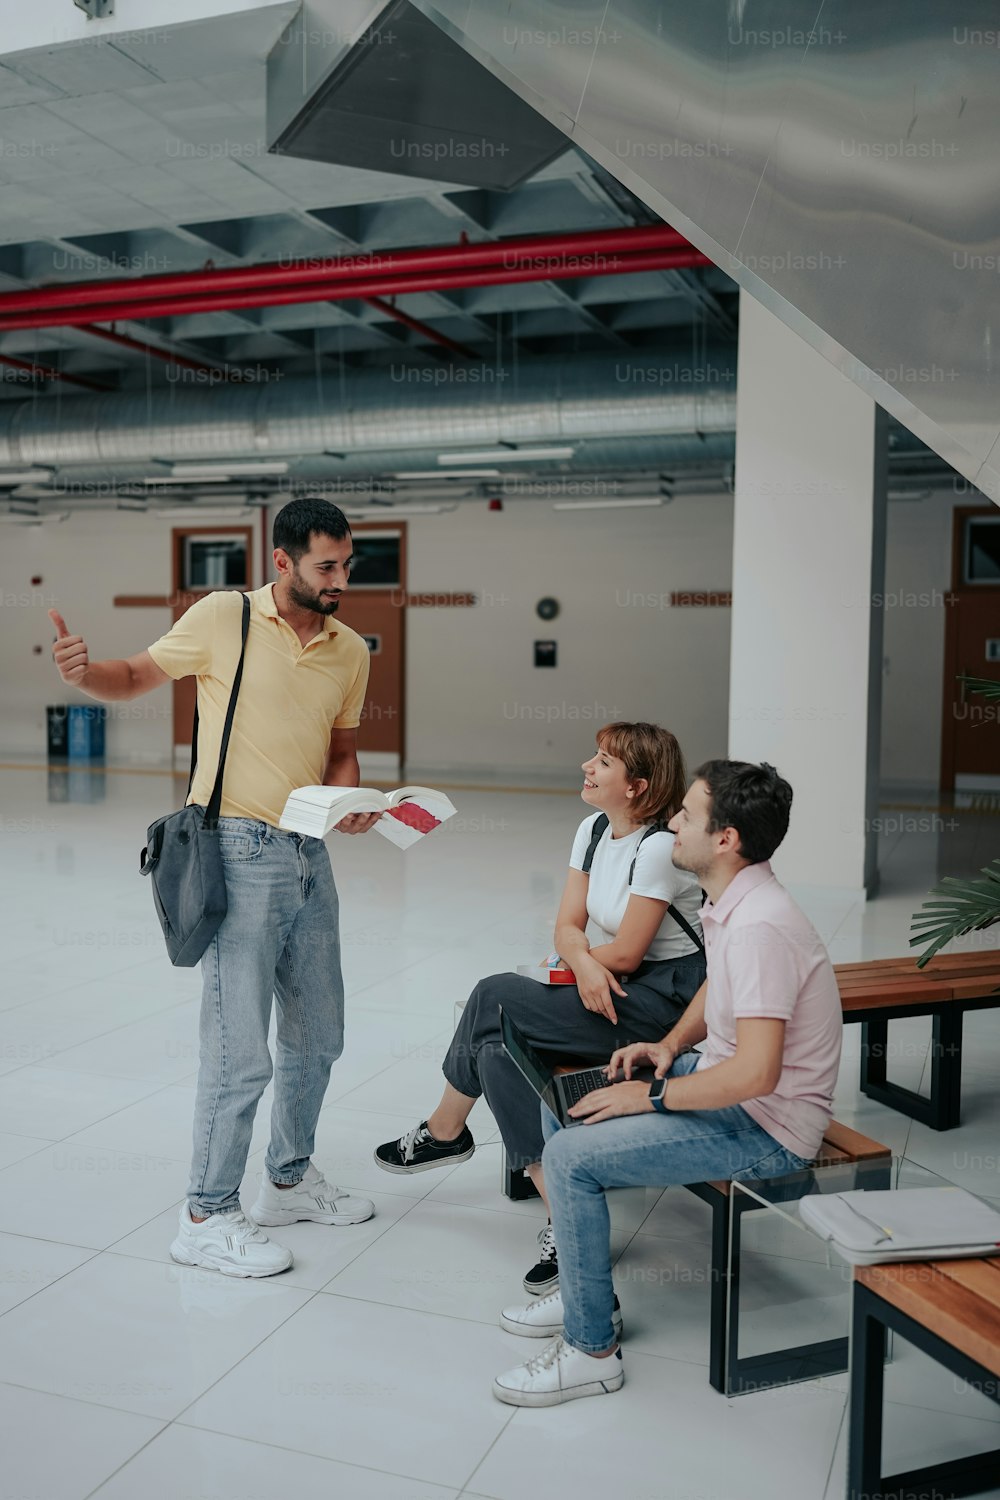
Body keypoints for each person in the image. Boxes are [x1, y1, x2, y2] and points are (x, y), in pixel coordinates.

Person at [50, 498, 381, 1277]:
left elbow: (341, 753)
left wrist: (354, 801)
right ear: (283, 562)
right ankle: (205, 1211)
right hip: (236, 845)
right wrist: (84, 671)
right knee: (240, 1052)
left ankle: (288, 1181)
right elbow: (133, 675)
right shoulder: (222, 617)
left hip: (308, 850)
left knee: (320, 1033)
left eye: (347, 567)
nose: (339, 581)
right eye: (326, 566)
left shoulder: (348, 650)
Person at [492, 760, 843, 1407]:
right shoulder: (733, 897)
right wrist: (669, 1046)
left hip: (768, 1127)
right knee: (574, 1098)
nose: (672, 823)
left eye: (686, 814)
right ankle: (583, 1290)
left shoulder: (763, 924)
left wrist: (650, 1095)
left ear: (726, 839)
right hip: (724, 1080)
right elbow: (718, 988)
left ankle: (592, 1350)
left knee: (570, 1155)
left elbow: (758, 1072)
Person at [374, 721, 706, 1292]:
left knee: (493, 993)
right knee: (497, 1047)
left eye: (604, 761)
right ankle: (564, 1213)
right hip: (608, 975)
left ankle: (446, 1129)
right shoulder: (594, 828)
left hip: (664, 1001)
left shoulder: (657, 850)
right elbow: (566, 925)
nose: (587, 766)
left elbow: (628, 953)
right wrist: (581, 962)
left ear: (638, 787)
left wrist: (584, 958)